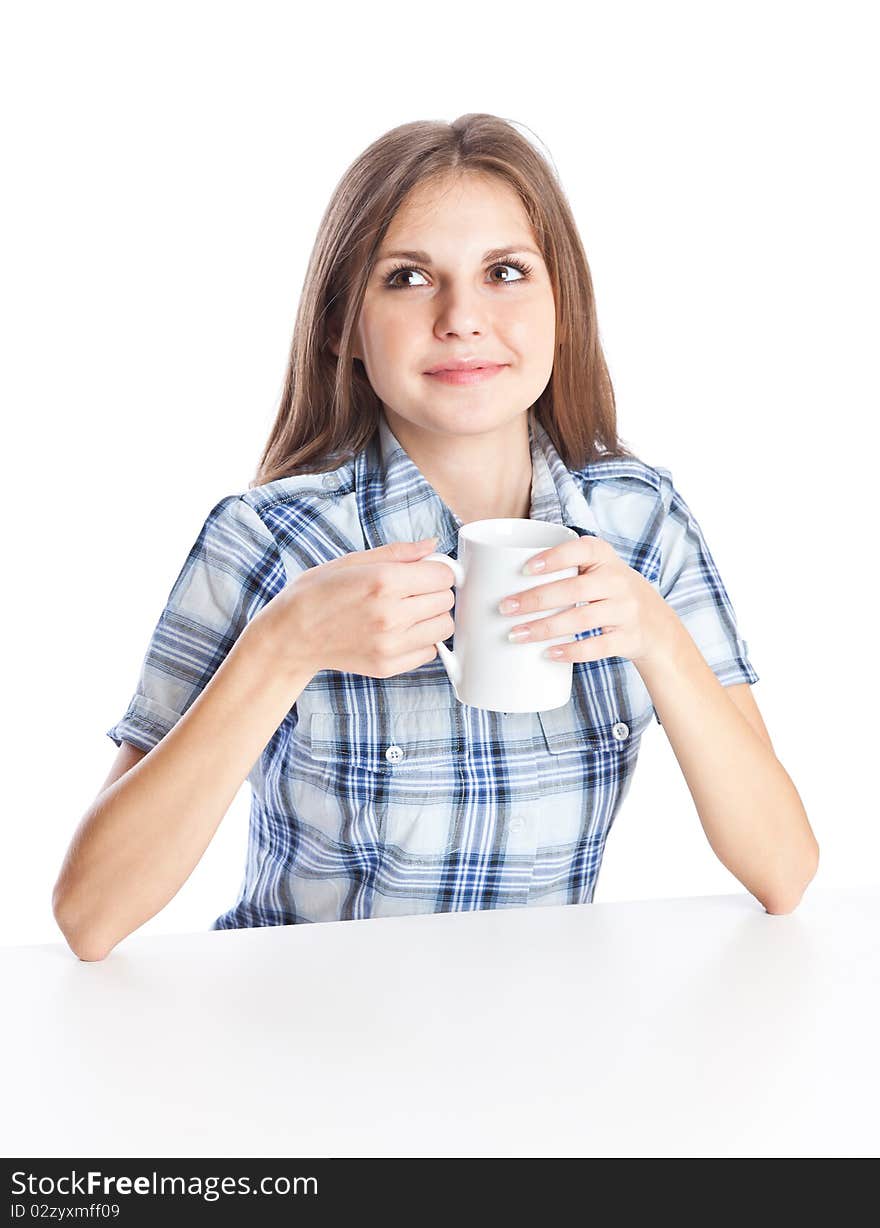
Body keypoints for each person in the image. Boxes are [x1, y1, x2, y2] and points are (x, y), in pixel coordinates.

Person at [52, 113, 818, 961]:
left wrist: (656, 638)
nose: (462, 318)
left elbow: (784, 871)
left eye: (505, 272)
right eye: (410, 278)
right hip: (308, 1046)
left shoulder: (640, 522)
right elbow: (90, 916)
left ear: (561, 306)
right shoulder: (267, 538)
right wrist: (282, 647)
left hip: (545, 1043)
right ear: (342, 324)